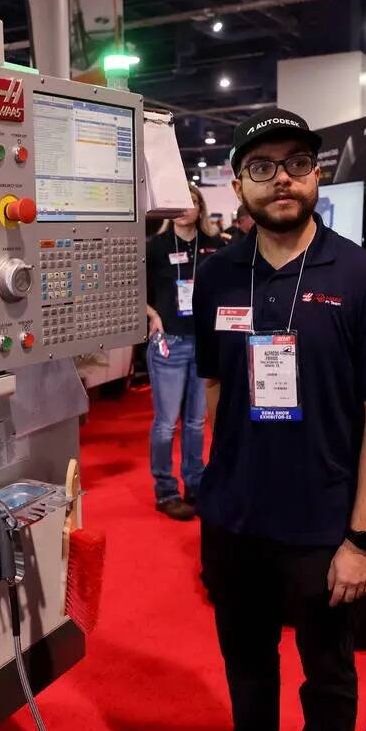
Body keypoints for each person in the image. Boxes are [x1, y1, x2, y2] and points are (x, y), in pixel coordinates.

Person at [193, 107, 366, 731]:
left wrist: (364, 539)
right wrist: (215, 483)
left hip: (323, 522)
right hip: (234, 518)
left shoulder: (364, 277)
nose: (281, 180)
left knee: (328, 671)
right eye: (262, 168)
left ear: (316, 175)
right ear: (238, 186)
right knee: (246, 655)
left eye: (296, 164)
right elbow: (214, 388)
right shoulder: (218, 275)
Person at [144, 183, 225, 520]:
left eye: (190, 200)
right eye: (177, 201)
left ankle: (195, 485)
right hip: (170, 343)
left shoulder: (216, 247)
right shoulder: (156, 245)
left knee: (195, 423)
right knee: (166, 424)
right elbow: (132, 287)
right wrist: (153, 315)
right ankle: (165, 491)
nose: (183, 207)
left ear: (200, 208)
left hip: (205, 342)